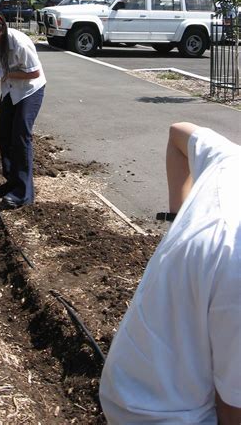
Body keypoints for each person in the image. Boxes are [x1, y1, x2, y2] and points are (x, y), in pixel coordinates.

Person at [99, 122, 241, 424]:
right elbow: (232, 409)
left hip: (131, 381)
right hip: (165, 413)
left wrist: (178, 224)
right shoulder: (235, 264)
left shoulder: (231, 160)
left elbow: (178, 132)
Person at [0, 9, 46, 208]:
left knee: (21, 137)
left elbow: (34, 73)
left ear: (1, 29)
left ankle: (24, 193)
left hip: (30, 91)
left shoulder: (19, 44)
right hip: (9, 91)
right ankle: (11, 181)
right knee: (5, 135)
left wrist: (7, 73)